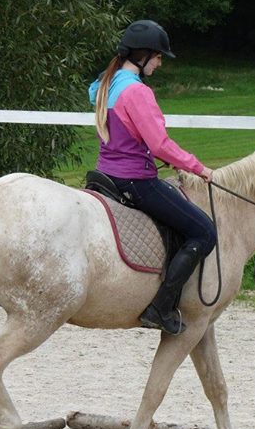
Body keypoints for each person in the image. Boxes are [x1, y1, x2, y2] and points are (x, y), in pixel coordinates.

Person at [88, 20, 216, 335]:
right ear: (142, 55)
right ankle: (161, 306)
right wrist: (197, 167)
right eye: (158, 57)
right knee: (204, 232)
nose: (159, 63)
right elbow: (160, 143)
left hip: (106, 173)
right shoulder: (137, 92)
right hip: (135, 181)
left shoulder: (107, 83)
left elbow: (130, 135)